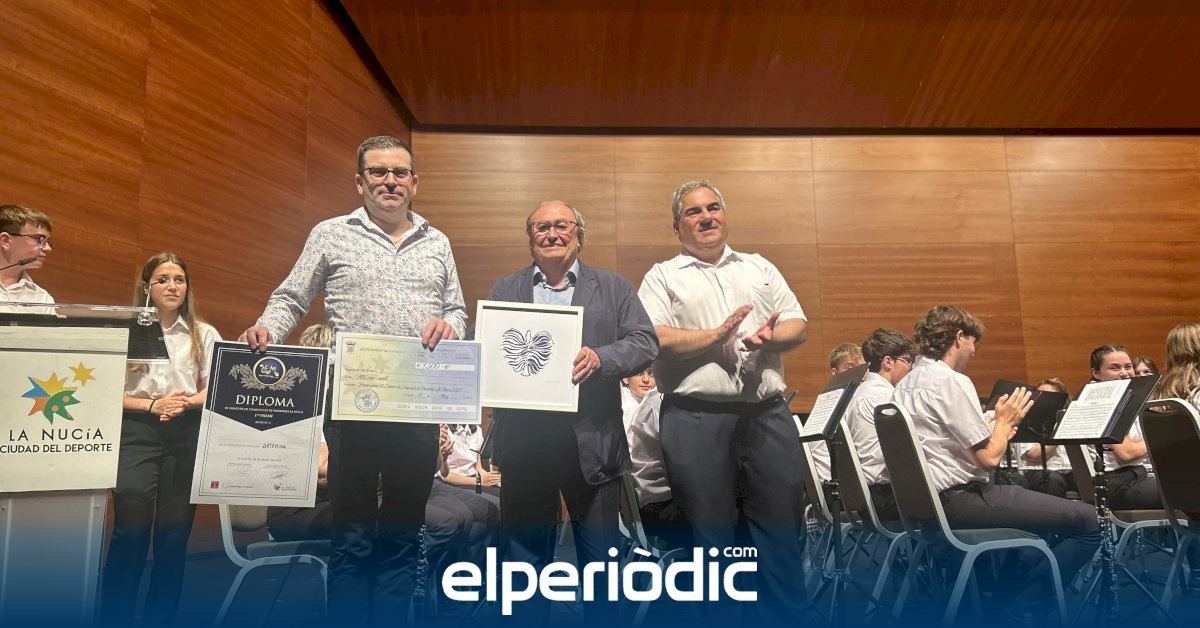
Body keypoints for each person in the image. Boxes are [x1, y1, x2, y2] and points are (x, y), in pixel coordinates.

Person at [241, 135, 467, 621]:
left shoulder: (438, 241)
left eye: (399, 172)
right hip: (352, 405)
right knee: (354, 536)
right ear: (360, 181)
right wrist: (267, 327)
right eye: (378, 172)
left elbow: (457, 310)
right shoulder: (331, 233)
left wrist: (451, 325)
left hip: (416, 403)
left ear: (414, 182)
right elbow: (292, 297)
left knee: (403, 533)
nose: (390, 181)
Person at [637, 179, 809, 622]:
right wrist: (716, 336)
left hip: (767, 415)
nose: (706, 217)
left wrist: (772, 338)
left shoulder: (759, 266)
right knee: (712, 540)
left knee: (781, 533)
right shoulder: (662, 275)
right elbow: (655, 337)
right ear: (677, 227)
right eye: (693, 212)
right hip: (696, 419)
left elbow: (797, 323)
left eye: (713, 207)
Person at [487, 200, 657, 622]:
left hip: (593, 448)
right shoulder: (506, 288)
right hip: (525, 448)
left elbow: (644, 341)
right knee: (523, 568)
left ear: (579, 234)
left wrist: (601, 358)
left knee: (601, 567)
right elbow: (488, 348)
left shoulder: (612, 286)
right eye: (541, 227)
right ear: (530, 237)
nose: (552, 234)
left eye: (562, 225)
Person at [892, 305, 1099, 615]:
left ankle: (1002, 602)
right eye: (974, 342)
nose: (974, 351)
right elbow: (988, 459)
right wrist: (1004, 422)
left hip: (923, 505)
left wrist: (994, 425)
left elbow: (941, 440)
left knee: (1040, 518)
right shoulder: (950, 380)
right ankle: (1022, 612)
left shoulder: (905, 384)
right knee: (1089, 520)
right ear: (959, 337)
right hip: (958, 499)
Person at [101, 253, 220, 624]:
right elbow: (104, 391)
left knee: (172, 538)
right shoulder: (126, 331)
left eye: (179, 279)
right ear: (147, 287)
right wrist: (153, 405)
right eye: (163, 279)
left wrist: (185, 402)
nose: (173, 286)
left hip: (186, 432)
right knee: (131, 530)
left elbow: (217, 386)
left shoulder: (204, 333)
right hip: (136, 431)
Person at [842, 328, 916, 523]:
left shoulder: (857, 393)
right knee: (954, 494)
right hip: (885, 497)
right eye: (908, 361)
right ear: (888, 362)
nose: (912, 368)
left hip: (863, 497)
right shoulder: (886, 397)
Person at [810, 343, 868, 482]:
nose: (861, 373)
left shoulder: (862, 397)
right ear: (835, 372)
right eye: (850, 368)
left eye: (863, 368)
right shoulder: (828, 404)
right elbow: (819, 453)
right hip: (838, 482)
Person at [0, 203, 54, 312]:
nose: (48, 248)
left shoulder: (42, 298)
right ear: (6, 240)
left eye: (48, 241)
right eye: (39, 239)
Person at [621, 366, 655, 431]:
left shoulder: (660, 403)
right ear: (626, 378)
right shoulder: (619, 406)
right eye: (638, 373)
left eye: (651, 373)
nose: (646, 380)